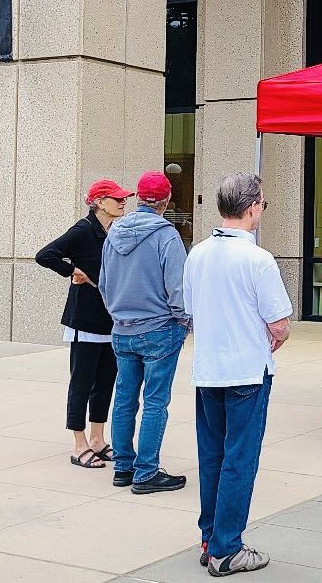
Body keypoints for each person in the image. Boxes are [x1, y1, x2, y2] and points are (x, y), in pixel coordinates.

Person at [183, 172, 292, 577]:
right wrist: (271, 338)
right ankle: (227, 548)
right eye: (263, 204)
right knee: (239, 459)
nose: (262, 210)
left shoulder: (198, 253)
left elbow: (189, 310)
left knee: (212, 456)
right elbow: (279, 323)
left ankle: (211, 538)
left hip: (208, 368)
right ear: (251, 209)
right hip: (246, 369)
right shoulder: (257, 259)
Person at [99, 170, 189, 494]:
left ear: (137, 198)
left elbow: (105, 285)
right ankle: (146, 471)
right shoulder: (167, 235)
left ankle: (123, 466)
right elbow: (177, 289)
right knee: (154, 402)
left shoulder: (113, 233)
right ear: (165, 202)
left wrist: (119, 315)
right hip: (159, 329)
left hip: (122, 329)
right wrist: (184, 320)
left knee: (124, 399)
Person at [36, 179, 134, 469]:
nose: (122, 202)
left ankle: (97, 440)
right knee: (82, 382)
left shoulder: (115, 231)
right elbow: (45, 254)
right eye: (116, 198)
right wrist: (72, 270)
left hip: (109, 319)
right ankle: (79, 444)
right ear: (99, 202)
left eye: (123, 198)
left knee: (105, 382)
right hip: (84, 319)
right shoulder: (83, 229)